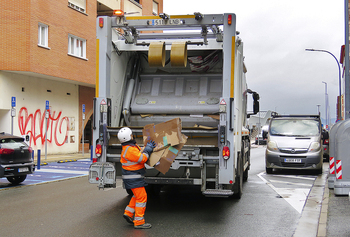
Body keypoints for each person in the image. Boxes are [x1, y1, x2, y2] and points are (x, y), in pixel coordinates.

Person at [117, 127, 156, 229]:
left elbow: (139, 151)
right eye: (131, 135)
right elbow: (142, 158)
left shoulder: (129, 147)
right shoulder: (129, 150)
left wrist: (146, 147)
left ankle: (128, 213)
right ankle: (139, 221)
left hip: (132, 177)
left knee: (136, 196)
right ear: (129, 137)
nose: (132, 136)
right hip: (133, 177)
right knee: (142, 197)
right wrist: (148, 149)